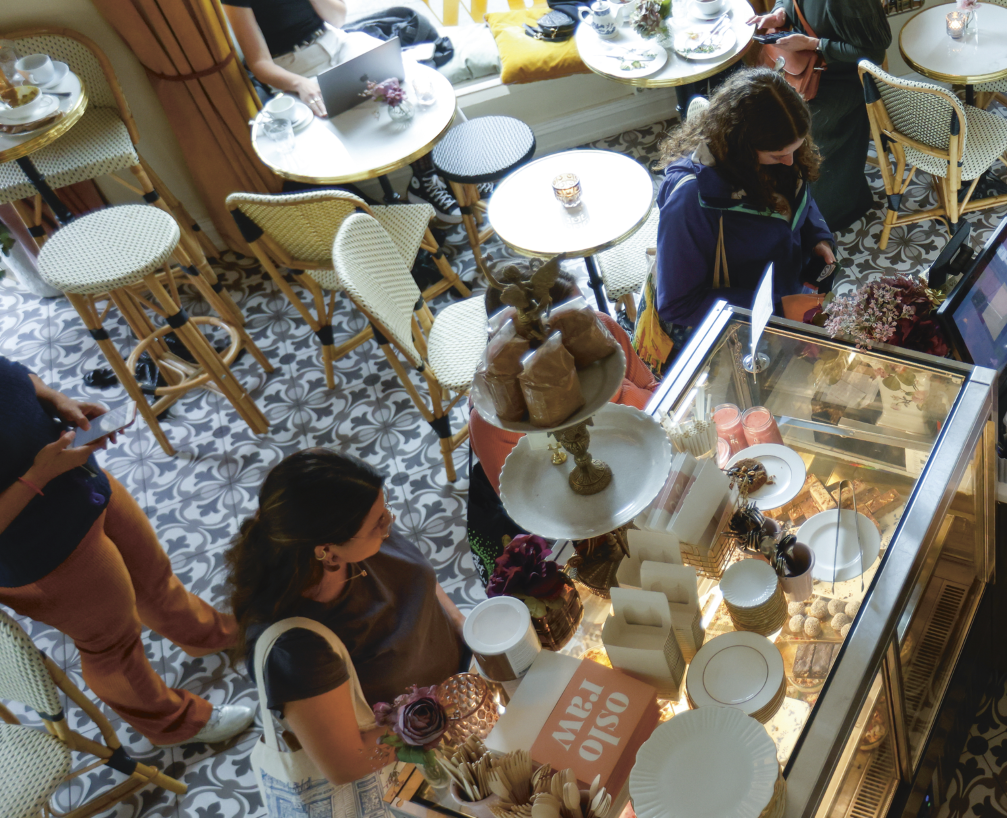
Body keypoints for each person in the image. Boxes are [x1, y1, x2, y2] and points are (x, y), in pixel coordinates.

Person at [0, 358, 253, 746]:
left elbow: (13, 373)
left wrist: (55, 399)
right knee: (112, 646)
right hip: (42, 553)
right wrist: (37, 477)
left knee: (156, 581)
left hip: (84, 485)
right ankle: (174, 724)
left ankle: (208, 634)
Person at [228, 450, 466, 791]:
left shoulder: (364, 535)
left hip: (462, 692)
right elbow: (347, 763)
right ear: (326, 551)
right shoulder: (297, 647)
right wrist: (446, 708)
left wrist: (461, 625)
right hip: (421, 755)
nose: (390, 521)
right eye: (379, 522)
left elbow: (417, 581)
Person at [215, 0, 459, 220]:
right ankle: (382, 211)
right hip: (292, 65)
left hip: (336, 41)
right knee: (347, 130)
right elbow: (259, 62)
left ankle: (437, 175)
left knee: (412, 87)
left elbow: (339, 17)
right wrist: (300, 84)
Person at [467, 264, 656, 573]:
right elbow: (542, 509)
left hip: (652, 470)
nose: (591, 321)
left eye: (585, 309)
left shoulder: (602, 331)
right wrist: (622, 398)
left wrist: (619, 393)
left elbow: (655, 393)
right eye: (576, 318)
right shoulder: (494, 424)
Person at [745, 0, 891, 231]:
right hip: (807, 68)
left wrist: (812, 43)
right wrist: (778, 14)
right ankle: (786, 196)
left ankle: (830, 210)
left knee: (796, 127)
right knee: (759, 109)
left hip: (844, 80)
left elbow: (872, 48)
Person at [653, 68, 835, 331]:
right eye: (778, 155)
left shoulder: (779, 152)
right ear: (741, 143)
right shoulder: (690, 202)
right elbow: (678, 304)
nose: (790, 162)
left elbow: (800, 201)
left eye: (795, 149)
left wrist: (818, 236)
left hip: (792, 302)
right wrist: (777, 308)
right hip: (747, 325)